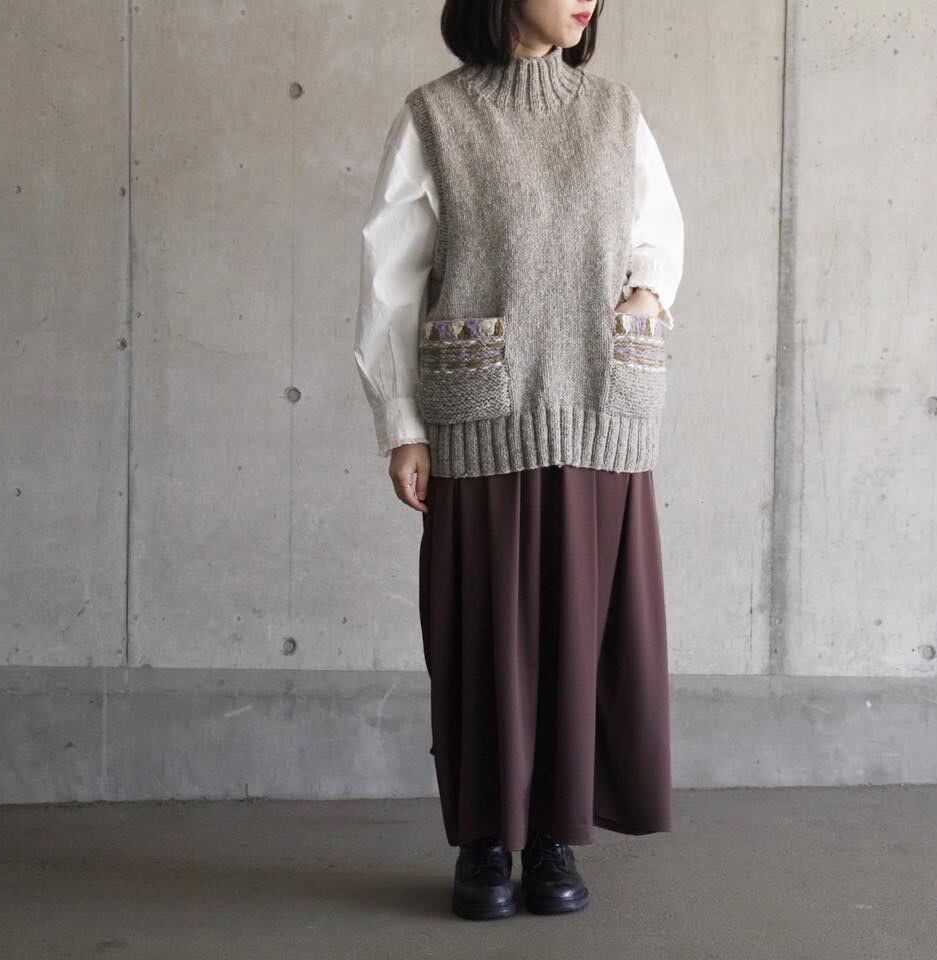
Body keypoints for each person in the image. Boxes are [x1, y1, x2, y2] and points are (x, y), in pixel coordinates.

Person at [353, 0, 684, 921]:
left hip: (600, 413)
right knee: (484, 638)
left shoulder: (615, 111)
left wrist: (649, 292)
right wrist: (402, 423)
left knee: (580, 639)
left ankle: (552, 838)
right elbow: (390, 282)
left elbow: (658, 232)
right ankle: (485, 841)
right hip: (483, 416)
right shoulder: (436, 118)